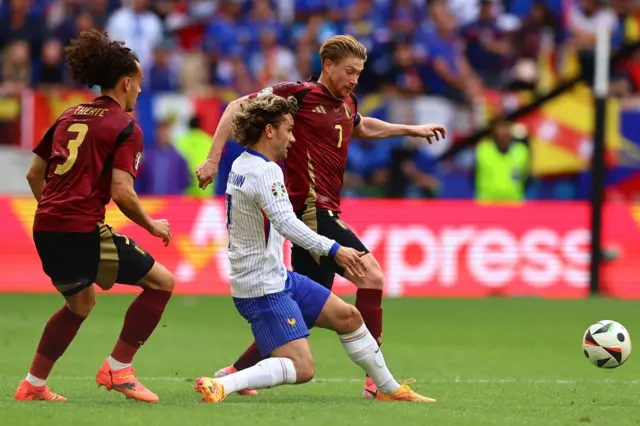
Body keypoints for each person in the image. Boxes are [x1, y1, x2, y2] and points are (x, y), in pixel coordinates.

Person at [196, 34, 446, 398]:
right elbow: (237, 106)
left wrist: (409, 130)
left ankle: (234, 371)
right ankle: (375, 384)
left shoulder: (346, 103)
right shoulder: (297, 95)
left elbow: (360, 125)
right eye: (349, 72)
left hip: (328, 208)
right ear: (327, 66)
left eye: (359, 73)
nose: (354, 80)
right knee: (371, 274)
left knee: (310, 309)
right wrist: (213, 158)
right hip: (310, 208)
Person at [15, 30, 174, 404]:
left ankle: (32, 385)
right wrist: (153, 225)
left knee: (80, 304)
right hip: (80, 229)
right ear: (126, 82)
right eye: (138, 84)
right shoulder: (124, 127)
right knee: (162, 282)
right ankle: (119, 368)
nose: (139, 91)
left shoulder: (69, 115)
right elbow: (122, 191)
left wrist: (55, 211)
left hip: (47, 228)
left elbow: (33, 175)